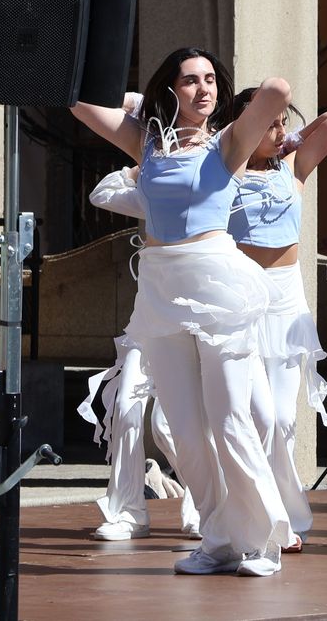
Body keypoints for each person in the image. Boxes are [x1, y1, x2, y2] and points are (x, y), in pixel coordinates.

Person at [69, 47, 294, 577]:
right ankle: (217, 537)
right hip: (161, 288)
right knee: (186, 432)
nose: (204, 89)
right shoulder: (146, 141)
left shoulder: (229, 141)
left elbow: (279, 90)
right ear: (169, 90)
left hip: (218, 283)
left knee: (231, 420)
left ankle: (261, 541)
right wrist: (139, 104)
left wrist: (196, 103)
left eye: (211, 80)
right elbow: (76, 102)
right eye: (190, 81)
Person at [228, 89, 327, 548]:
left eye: (282, 122)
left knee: (281, 418)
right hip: (242, 297)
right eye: (269, 122)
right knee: (251, 416)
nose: (277, 130)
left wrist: (292, 134)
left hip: (285, 300)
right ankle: (259, 513)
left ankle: (283, 507)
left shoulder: (293, 167)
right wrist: (244, 135)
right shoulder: (226, 166)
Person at [80, 163, 202, 542]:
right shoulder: (153, 194)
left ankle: (203, 500)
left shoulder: (212, 191)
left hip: (192, 320)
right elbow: (101, 193)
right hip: (147, 319)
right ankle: (128, 508)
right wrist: (140, 165)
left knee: (168, 426)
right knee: (126, 410)